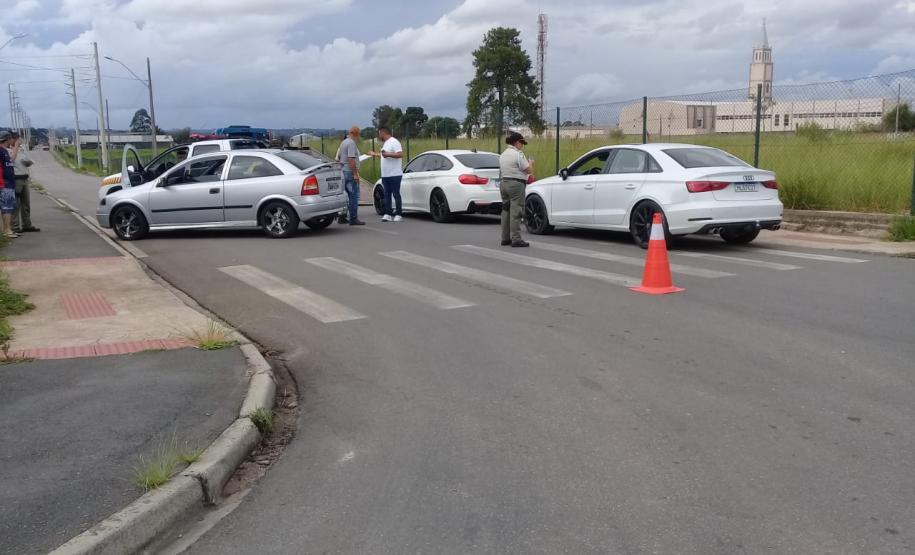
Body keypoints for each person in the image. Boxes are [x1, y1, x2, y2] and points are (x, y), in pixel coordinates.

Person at [499, 131, 534, 247]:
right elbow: (528, 170)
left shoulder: (503, 154)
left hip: (504, 183)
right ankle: (516, 239)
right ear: (517, 142)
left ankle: (505, 238)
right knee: (516, 212)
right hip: (516, 185)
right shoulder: (518, 154)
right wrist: (530, 163)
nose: (522, 145)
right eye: (521, 143)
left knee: (505, 211)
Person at [370, 127, 403, 222]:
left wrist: (388, 154)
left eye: (379, 134)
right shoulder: (386, 143)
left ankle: (398, 214)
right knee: (387, 194)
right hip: (386, 174)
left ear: (383, 133)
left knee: (396, 193)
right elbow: (383, 155)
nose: (379, 136)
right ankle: (388, 213)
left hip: (395, 174)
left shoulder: (394, 141)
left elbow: (400, 154)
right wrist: (374, 154)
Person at [10, 132, 38, 233]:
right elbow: (11, 160)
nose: (19, 141)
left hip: (25, 178)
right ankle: (15, 227)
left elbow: (27, 159)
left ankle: (27, 224)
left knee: (26, 204)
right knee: (16, 204)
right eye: (17, 139)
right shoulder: (8, 150)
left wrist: (28, 162)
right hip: (16, 179)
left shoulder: (22, 149)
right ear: (12, 139)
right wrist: (16, 146)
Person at [337, 126, 364, 225]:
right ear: (356, 134)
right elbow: (351, 159)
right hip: (349, 171)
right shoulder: (351, 143)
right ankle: (353, 218)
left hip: (343, 171)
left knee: (345, 196)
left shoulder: (343, 142)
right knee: (353, 196)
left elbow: (339, 157)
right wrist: (355, 174)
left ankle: (342, 216)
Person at [0, 131, 19, 239]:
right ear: (7, 139)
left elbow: (10, 162)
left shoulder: (5, 151)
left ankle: (7, 229)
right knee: (7, 207)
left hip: (8, 183)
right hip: (4, 183)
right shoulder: (1, 151)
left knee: (8, 207)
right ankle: (7, 230)